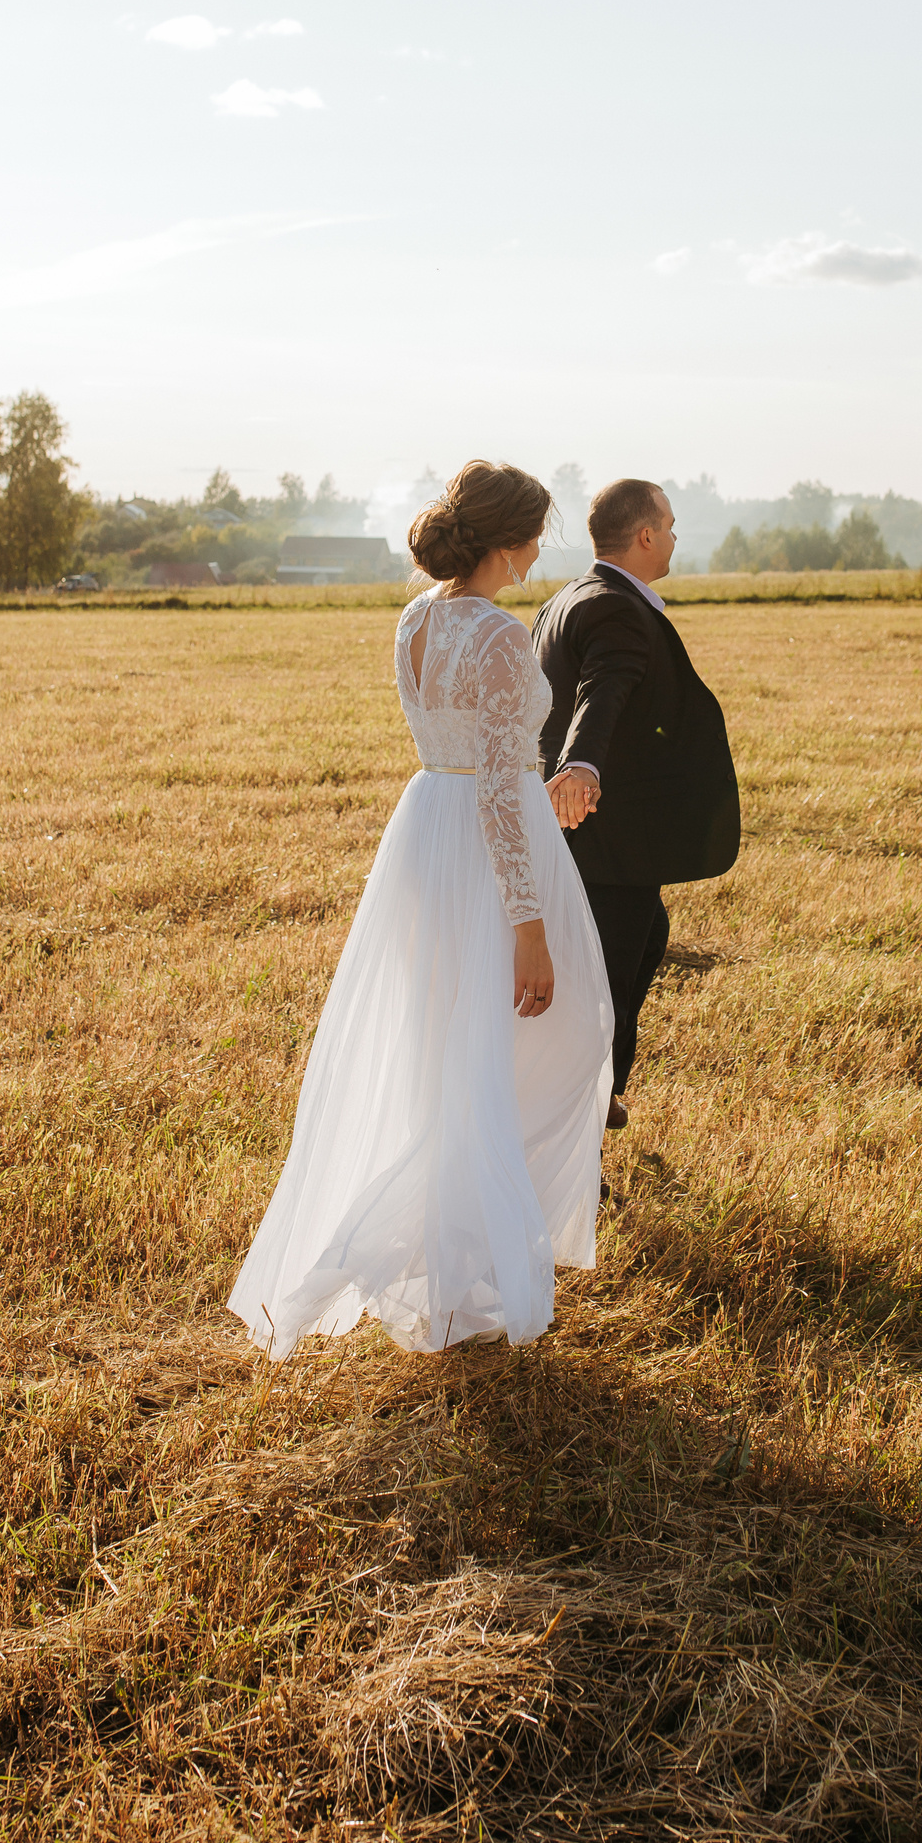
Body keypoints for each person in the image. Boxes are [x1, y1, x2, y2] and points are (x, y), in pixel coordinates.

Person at [229, 461, 613, 1358]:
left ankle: (454, 1261)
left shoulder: (416, 617)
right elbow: (496, 794)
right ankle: (415, 1247)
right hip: (483, 844)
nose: (538, 551)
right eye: (535, 536)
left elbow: (474, 763)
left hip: (428, 830)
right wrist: (528, 929)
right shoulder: (499, 637)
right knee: (540, 1038)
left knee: (448, 1046)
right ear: (507, 542)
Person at [532, 479, 740, 1133]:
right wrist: (581, 766)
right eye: (670, 525)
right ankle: (582, 1123)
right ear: (646, 535)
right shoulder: (615, 608)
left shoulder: (567, 598)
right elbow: (603, 691)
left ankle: (602, 1094)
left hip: (588, 830)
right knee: (607, 985)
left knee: (646, 939)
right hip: (604, 830)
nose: (675, 537)